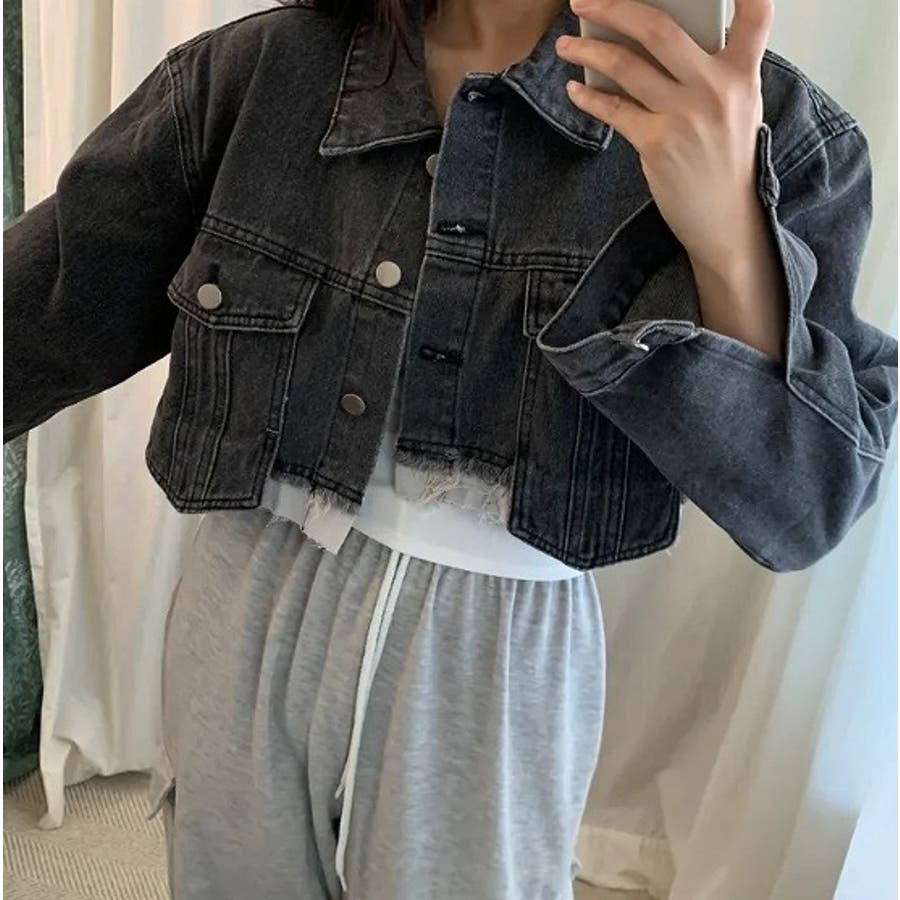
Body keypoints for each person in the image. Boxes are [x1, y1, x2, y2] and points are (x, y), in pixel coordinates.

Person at [4, 0, 897, 897]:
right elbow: (44, 306)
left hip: (494, 647)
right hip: (242, 600)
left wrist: (728, 237)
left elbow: (805, 506)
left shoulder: (773, 133)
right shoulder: (265, 69)